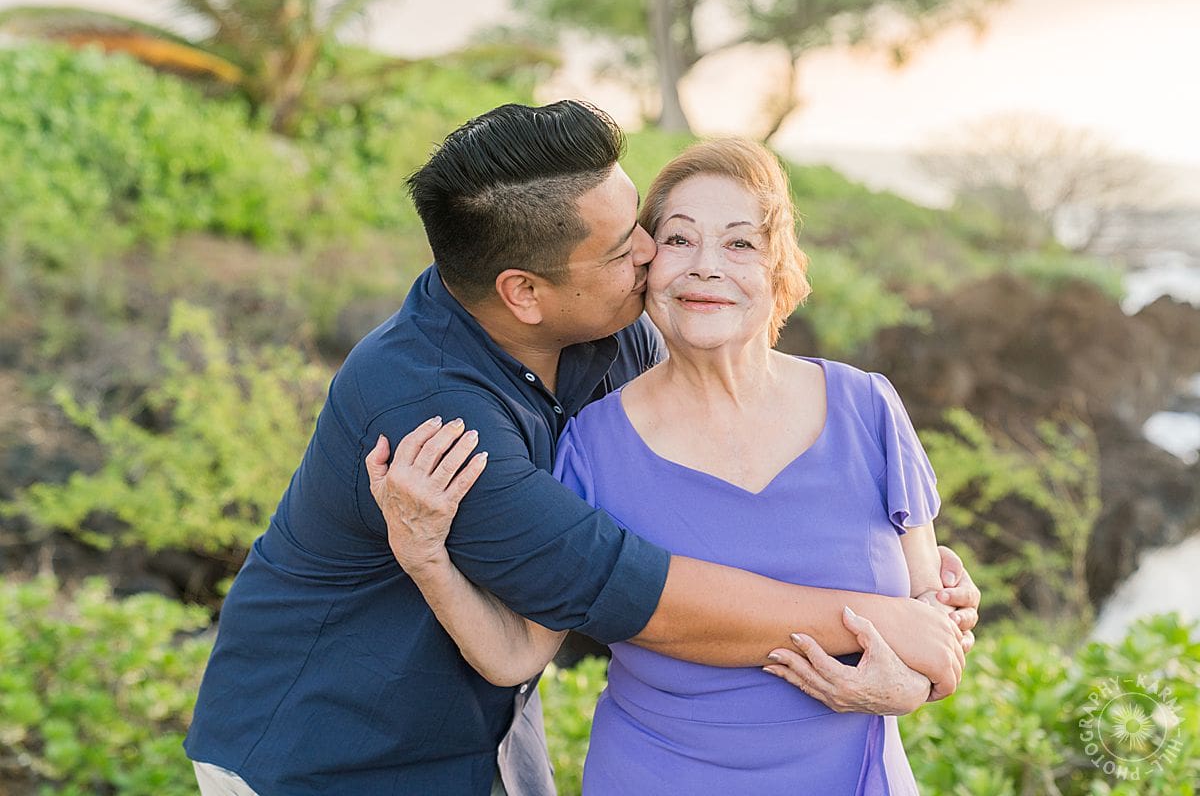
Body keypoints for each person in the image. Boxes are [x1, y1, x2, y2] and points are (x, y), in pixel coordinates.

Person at [185, 101, 978, 795]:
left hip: (487, 732)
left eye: (642, 224)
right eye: (630, 246)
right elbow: (620, 590)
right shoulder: (429, 416)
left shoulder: (609, 329)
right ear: (523, 292)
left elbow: (734, 396)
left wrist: (919, 619)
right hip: (329, 752)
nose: (649, 255)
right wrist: (880, 619)